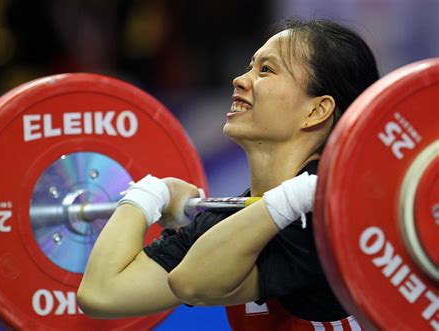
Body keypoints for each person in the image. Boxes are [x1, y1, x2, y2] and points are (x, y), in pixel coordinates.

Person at [77, 18, 379, 330]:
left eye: (266, 70)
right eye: (250, 67)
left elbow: (191, 281)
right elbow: (101, 293)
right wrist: (150, 195)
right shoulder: (246, 215)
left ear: (316, 110)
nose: (240, 79)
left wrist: (300, 197)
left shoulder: (326, 220)